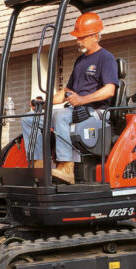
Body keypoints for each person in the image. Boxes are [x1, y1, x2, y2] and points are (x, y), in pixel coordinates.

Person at [20, 12, 119, 184]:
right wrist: (44, 103)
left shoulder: (106, 58)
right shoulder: (80, 61)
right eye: (77, 37)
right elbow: (66, 92)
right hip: (76, 110)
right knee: (29, 119)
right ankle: (39, 164)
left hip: (97, 112)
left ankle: (67, 168)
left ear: (96, 36)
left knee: (61, 116)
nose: (78, 41)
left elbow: (109, 90)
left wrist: (82, 99)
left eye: (82, 37)